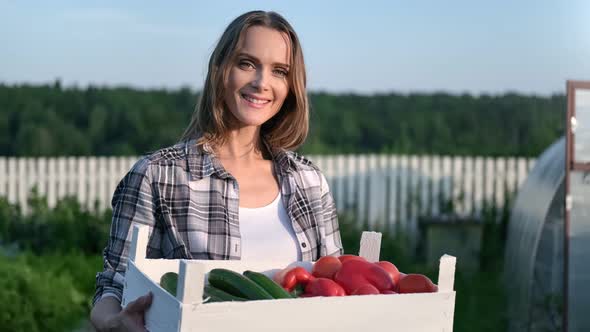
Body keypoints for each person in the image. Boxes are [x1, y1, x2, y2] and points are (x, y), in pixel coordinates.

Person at [90, 10, 343, 332]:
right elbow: (113, 286)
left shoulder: (308, 180)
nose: (261, 82)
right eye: (246, 63)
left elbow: (336, 284)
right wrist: (114, 324)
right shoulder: (158, 175)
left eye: (279, 71)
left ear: (291, 86)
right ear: (220, 70)